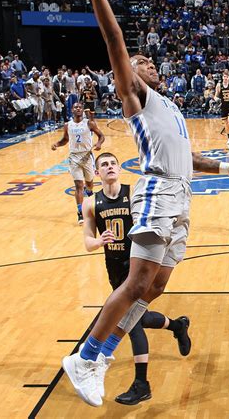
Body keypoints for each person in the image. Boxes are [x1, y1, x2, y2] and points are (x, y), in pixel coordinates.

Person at [61, 0, 229, 408]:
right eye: (139, 61)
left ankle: (103, 354)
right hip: (158, 191)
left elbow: (191, 157)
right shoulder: (137, 98)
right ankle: (86, 358)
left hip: (182, 196)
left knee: (155, 287)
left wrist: (226, 167)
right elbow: (114, 38)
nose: (146, 64)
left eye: (147, 61)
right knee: (136, 283)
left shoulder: (173, 108)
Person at [82, 151, 191, 405]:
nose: (109, 168)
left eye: (112, 164)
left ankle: (141, 383)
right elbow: (87, 241)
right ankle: (177, 326)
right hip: (114, 266)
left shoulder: (136, 195)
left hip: (138, 265)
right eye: (104, 165)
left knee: (132, 323)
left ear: (119, 169)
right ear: (97, 173)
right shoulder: (91, 203)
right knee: (135, 317)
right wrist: (98, 241)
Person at [51, 102, 105, 225]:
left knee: (89, 183)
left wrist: (99, 144)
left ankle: (90, 193)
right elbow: (65, 140)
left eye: (80, 107)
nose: (78, 109)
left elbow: (101, 136)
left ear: (82, 110)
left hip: (87, 156)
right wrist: (57, 144)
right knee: (79, 185)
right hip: (74, 157)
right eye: (76, 107)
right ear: (72, 110)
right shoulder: (67, 125)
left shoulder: (89, 123)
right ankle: (80, 212)